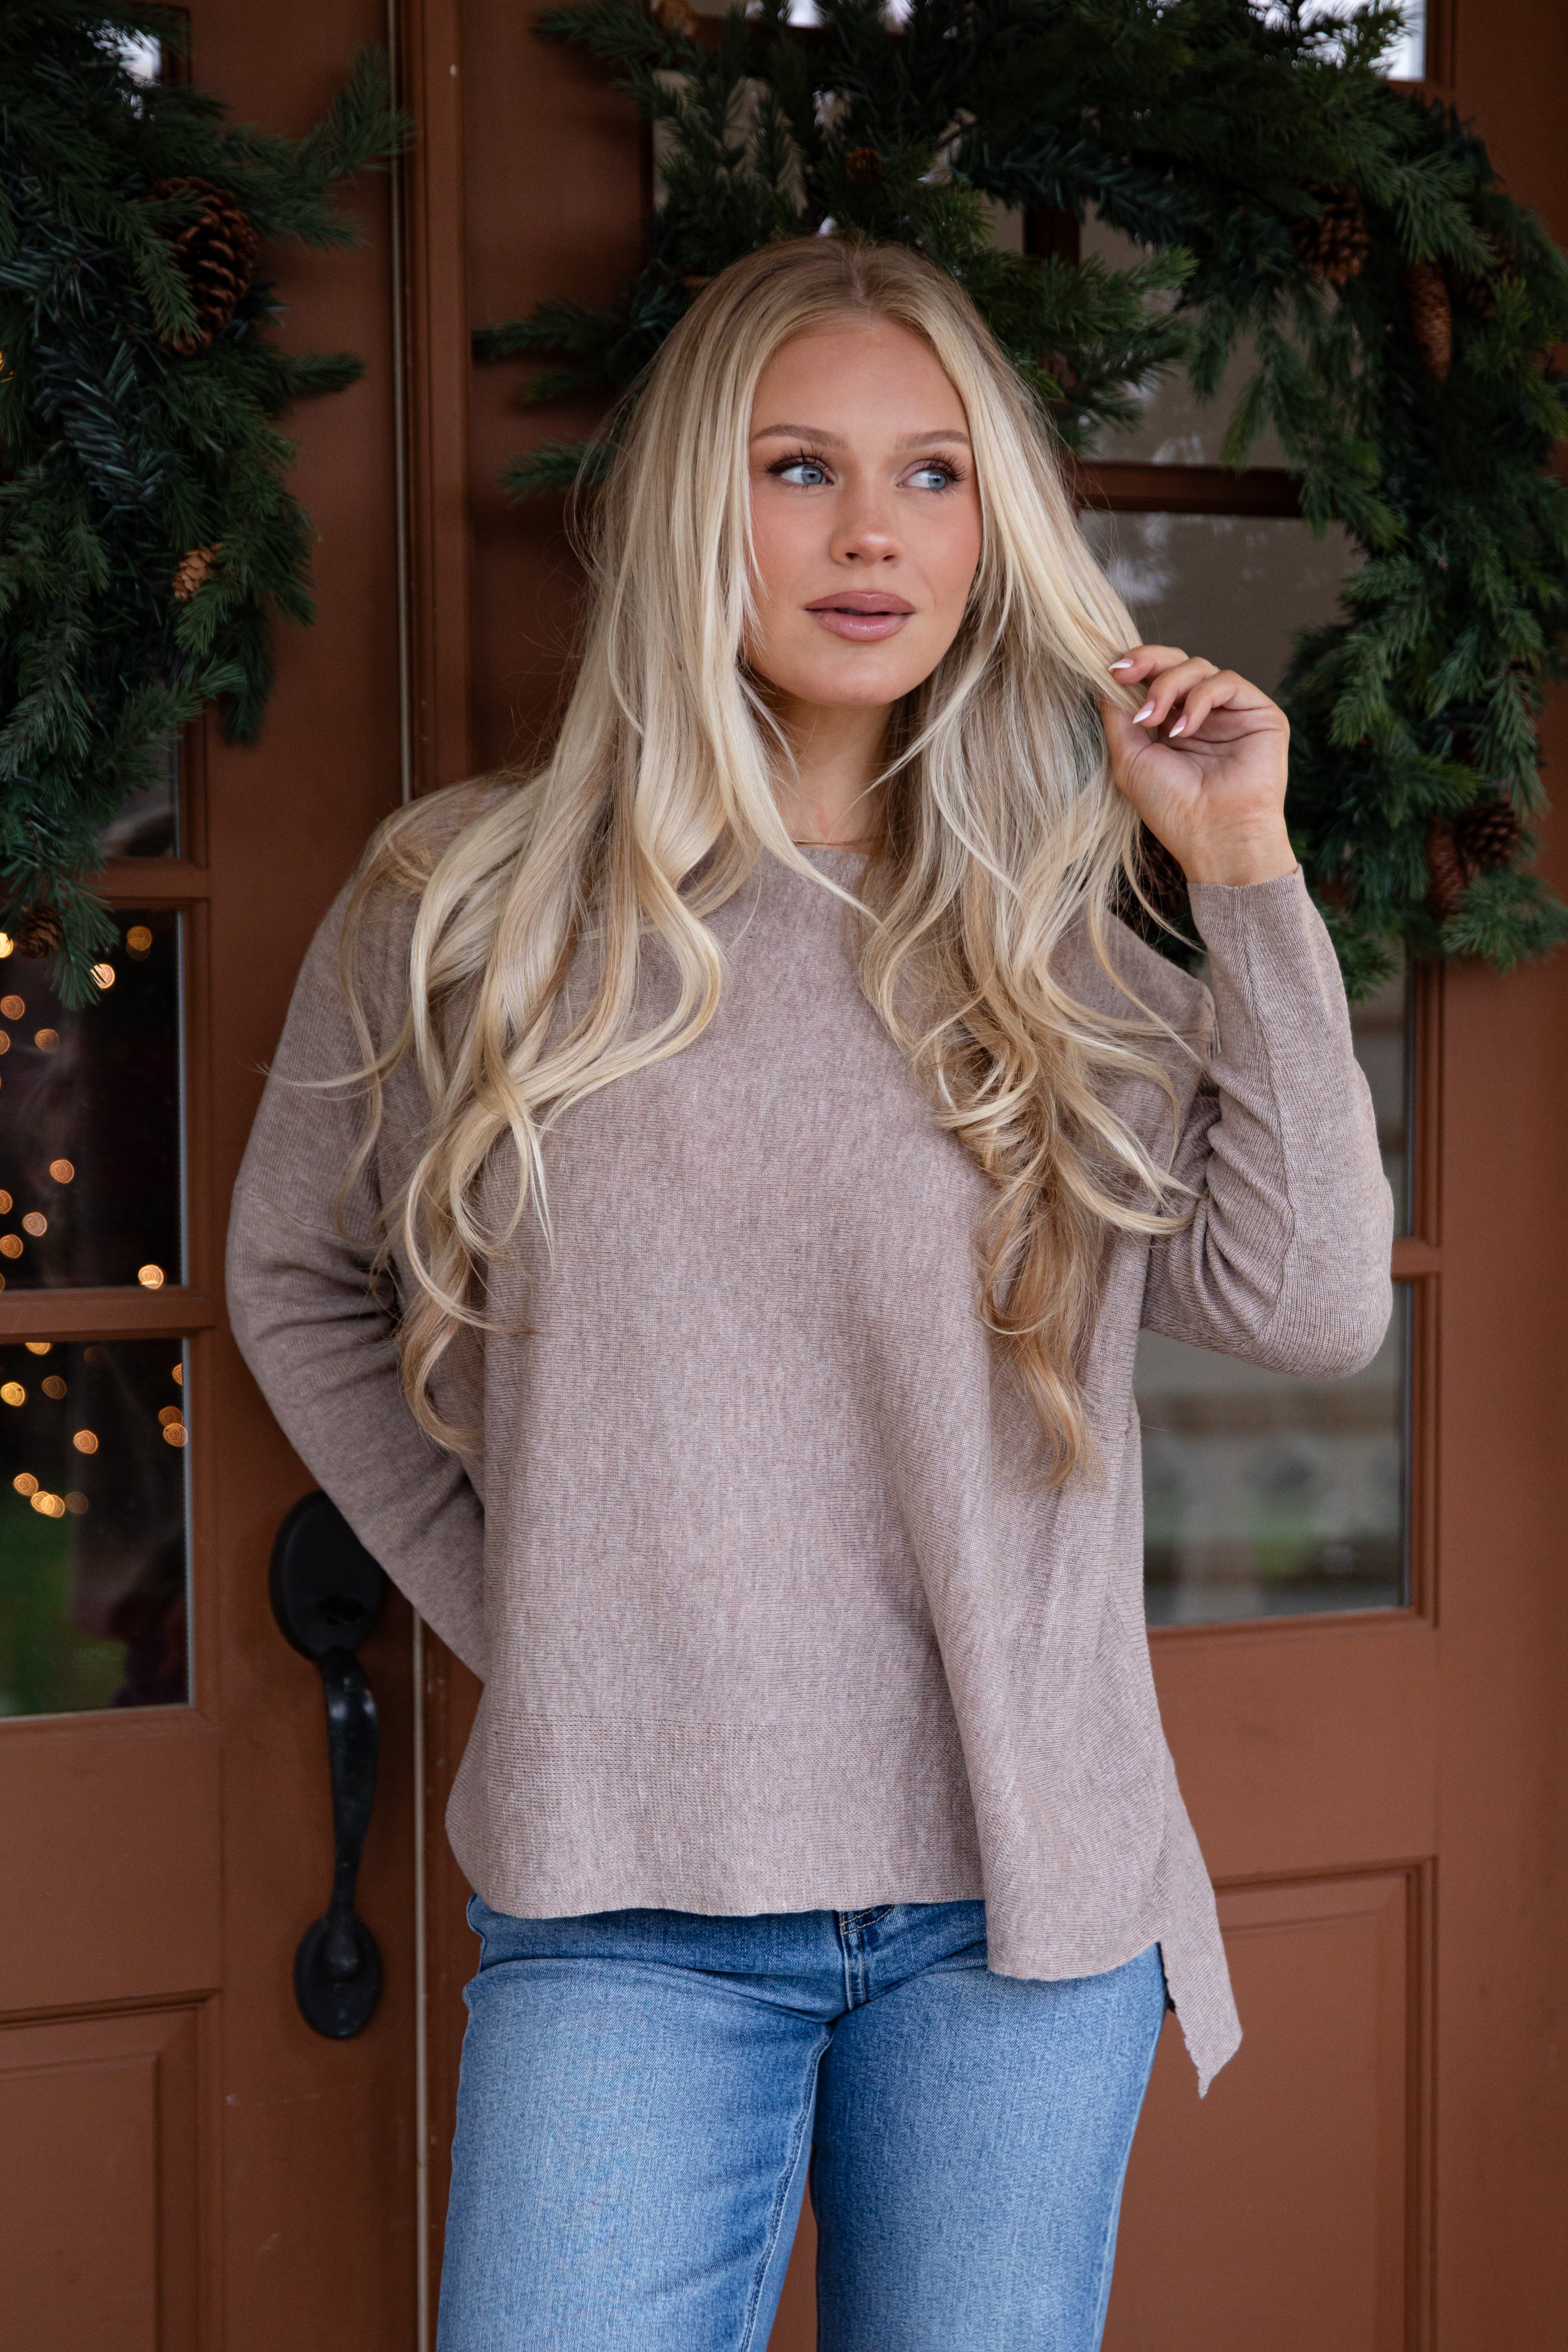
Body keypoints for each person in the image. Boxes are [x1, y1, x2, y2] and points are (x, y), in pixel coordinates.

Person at [227, 237, 1393, 2351]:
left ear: (992, 530)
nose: (871, 532)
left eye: (934, 475)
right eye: (798, 467)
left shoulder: (1060, 941)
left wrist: (1240, 868)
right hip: (627, 1910)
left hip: (1017, 1915)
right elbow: (293, 1277)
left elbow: (1306, 1304)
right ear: (698, 504)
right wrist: (539, 1610)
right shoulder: (465, 903)